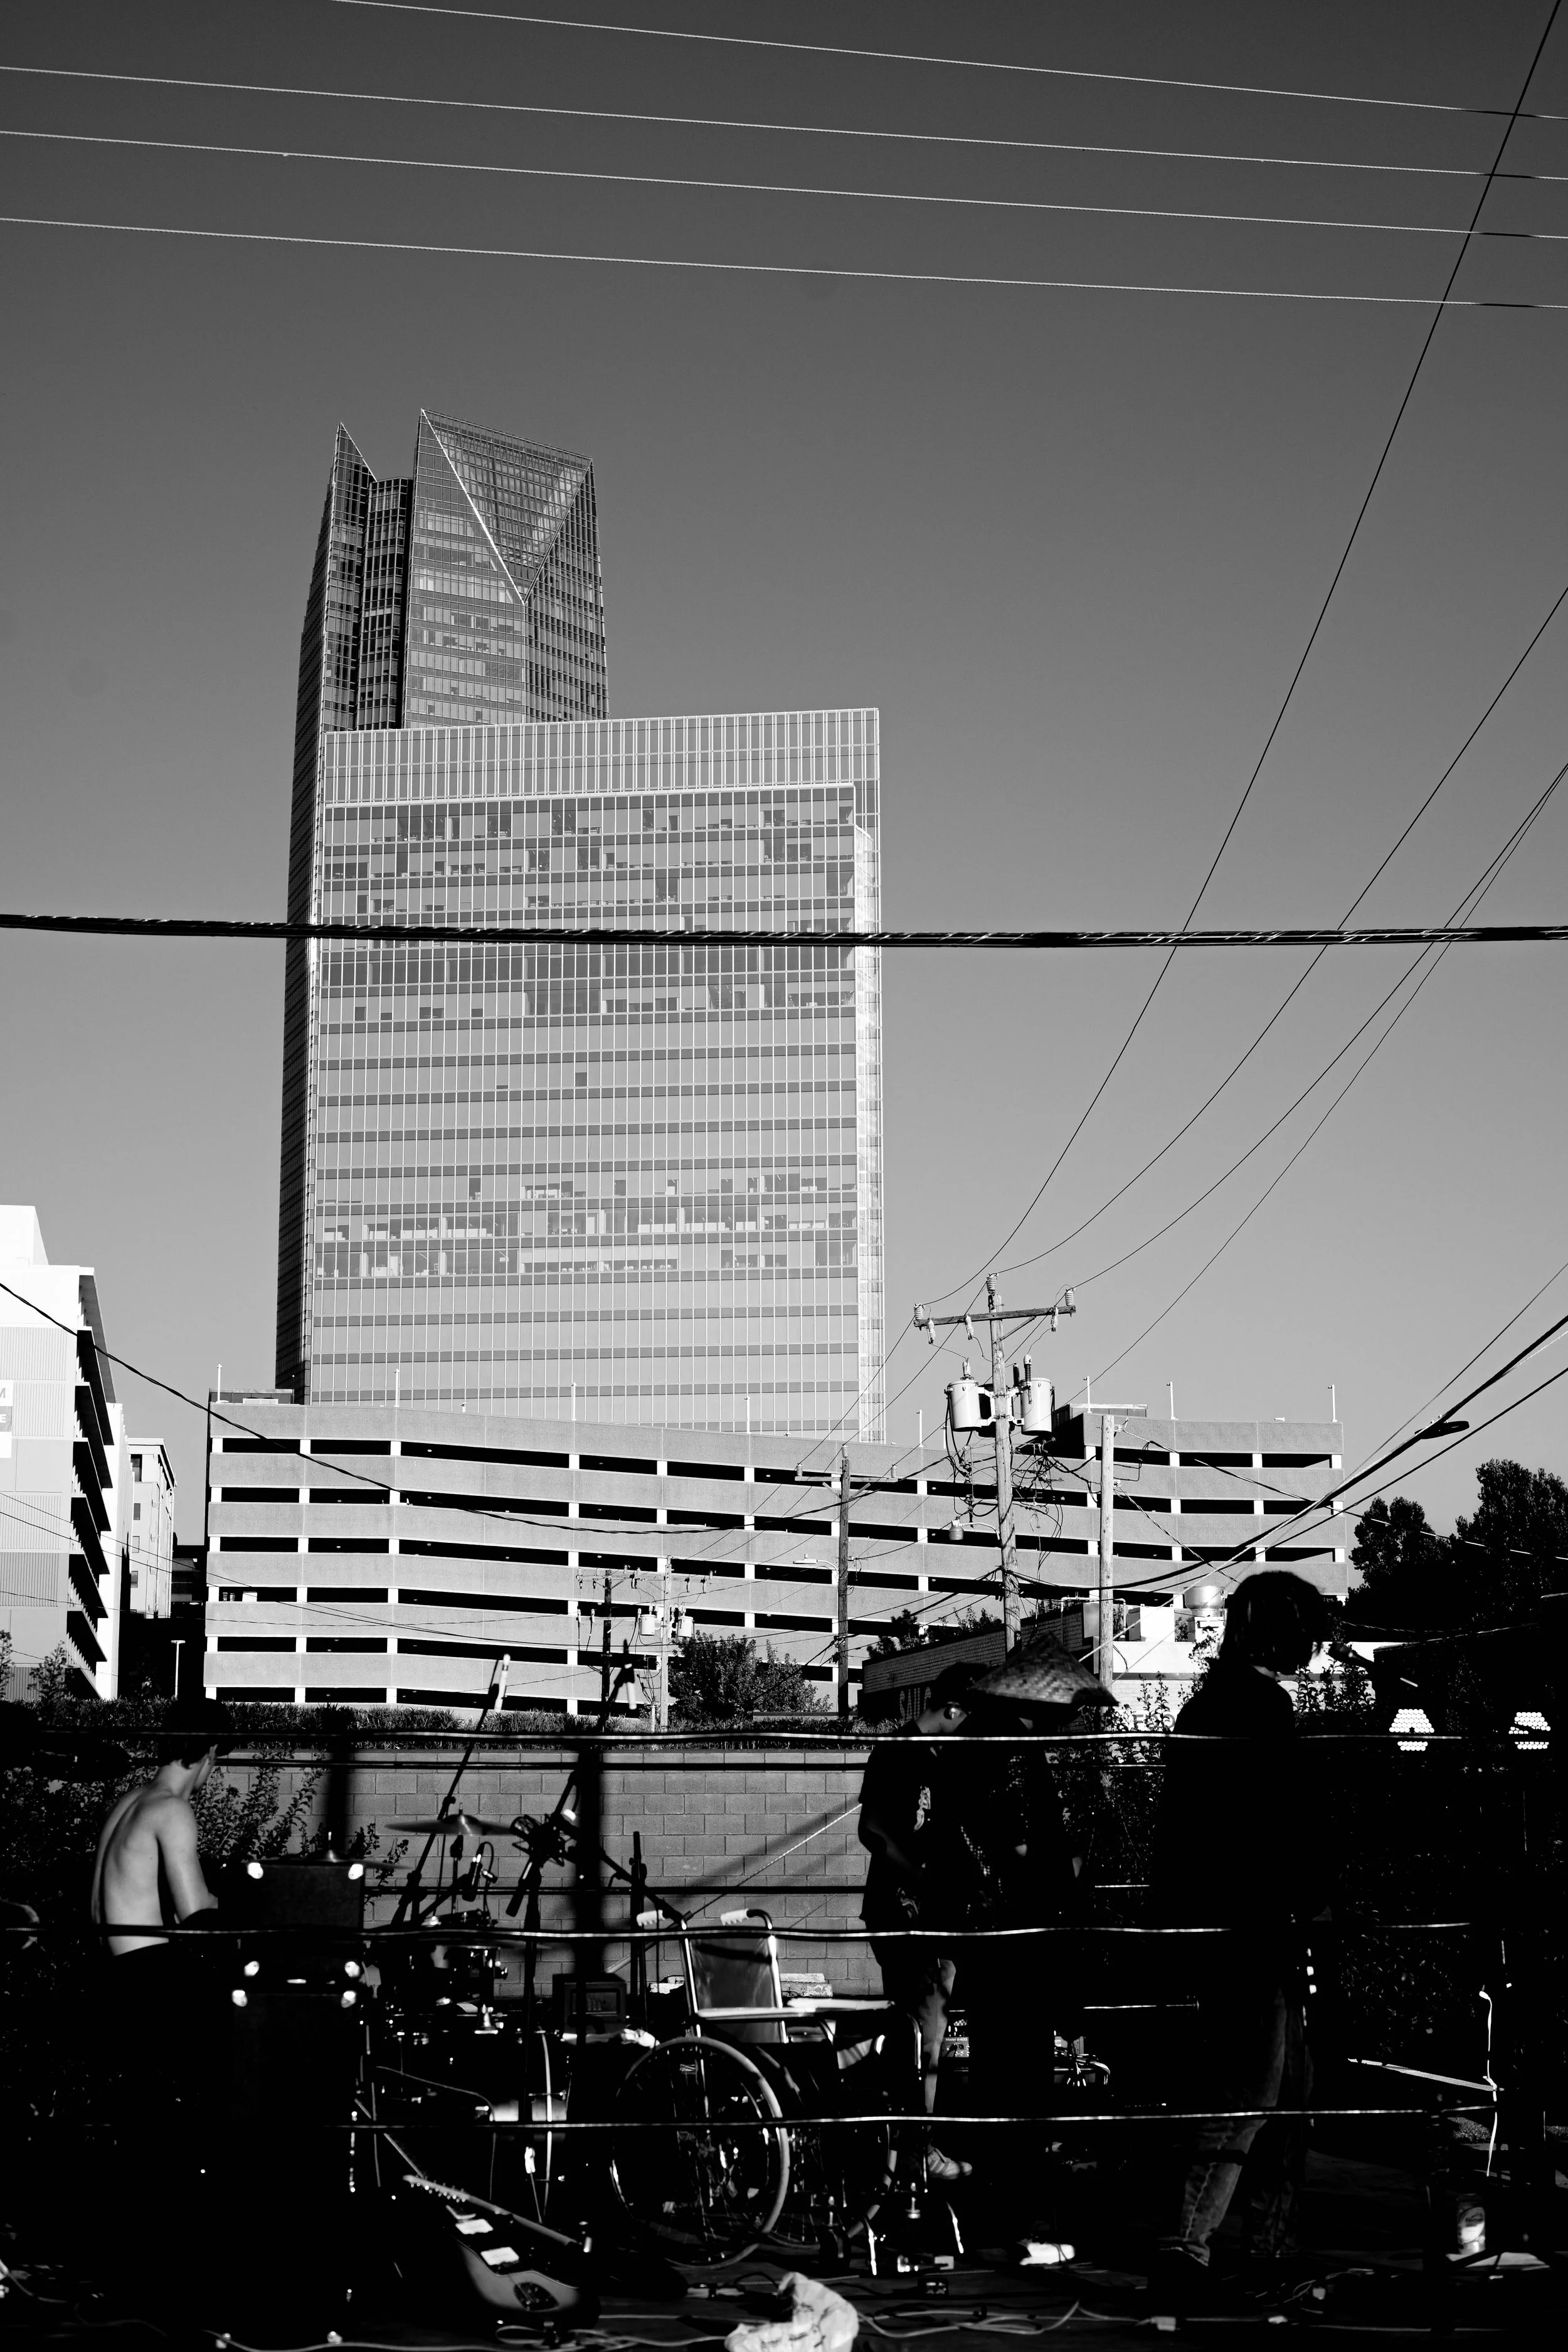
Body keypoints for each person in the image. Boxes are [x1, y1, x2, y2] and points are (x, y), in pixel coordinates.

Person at [1146, 1571, 1332, 2306]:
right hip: (1255, 1927)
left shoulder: (1206, 1704)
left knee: (1279, 2093)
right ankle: (1193, 2247)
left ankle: (1252, 2246)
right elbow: (1279, 1827)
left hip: (1223, 1923)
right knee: (1253, 2093)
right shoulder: (1260, 1708)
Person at [934, 1645, 1105, 2263]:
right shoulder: (1012, 1753)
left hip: (987, 1939)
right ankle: (1020, 2226)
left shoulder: (971, 1747)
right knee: (1022, 2089)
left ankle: (994, 2222)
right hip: (1019, 1940)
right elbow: (1027, 1853)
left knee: (996, 2085)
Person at [857, 1662, 977, 2183]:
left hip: (923, 1913)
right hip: (908, 1913)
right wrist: (923, 1883)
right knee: (925, 2035)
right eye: (971, 1716)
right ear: (951, 1709)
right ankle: (915, 2153)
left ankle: (906, 2149)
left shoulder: (935, 1756)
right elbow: (875, 1832)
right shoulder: (899, 1753)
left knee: (923, 2033)